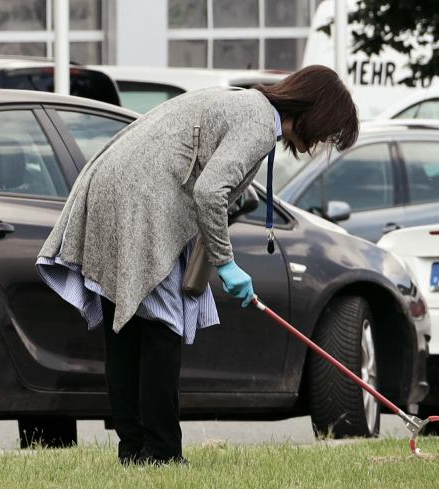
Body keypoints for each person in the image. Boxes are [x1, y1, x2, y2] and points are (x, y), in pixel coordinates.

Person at [37, 66, 360, 464]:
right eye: (328, 133)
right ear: (316, 112)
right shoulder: (259, 122)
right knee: (162, 329)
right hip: (141, 202)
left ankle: (135, 450)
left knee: (127, 328)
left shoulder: (245, 104)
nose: (321, 143)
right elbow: (210, 191)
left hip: (109, 188)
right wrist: (226, 264)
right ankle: (162, 452)